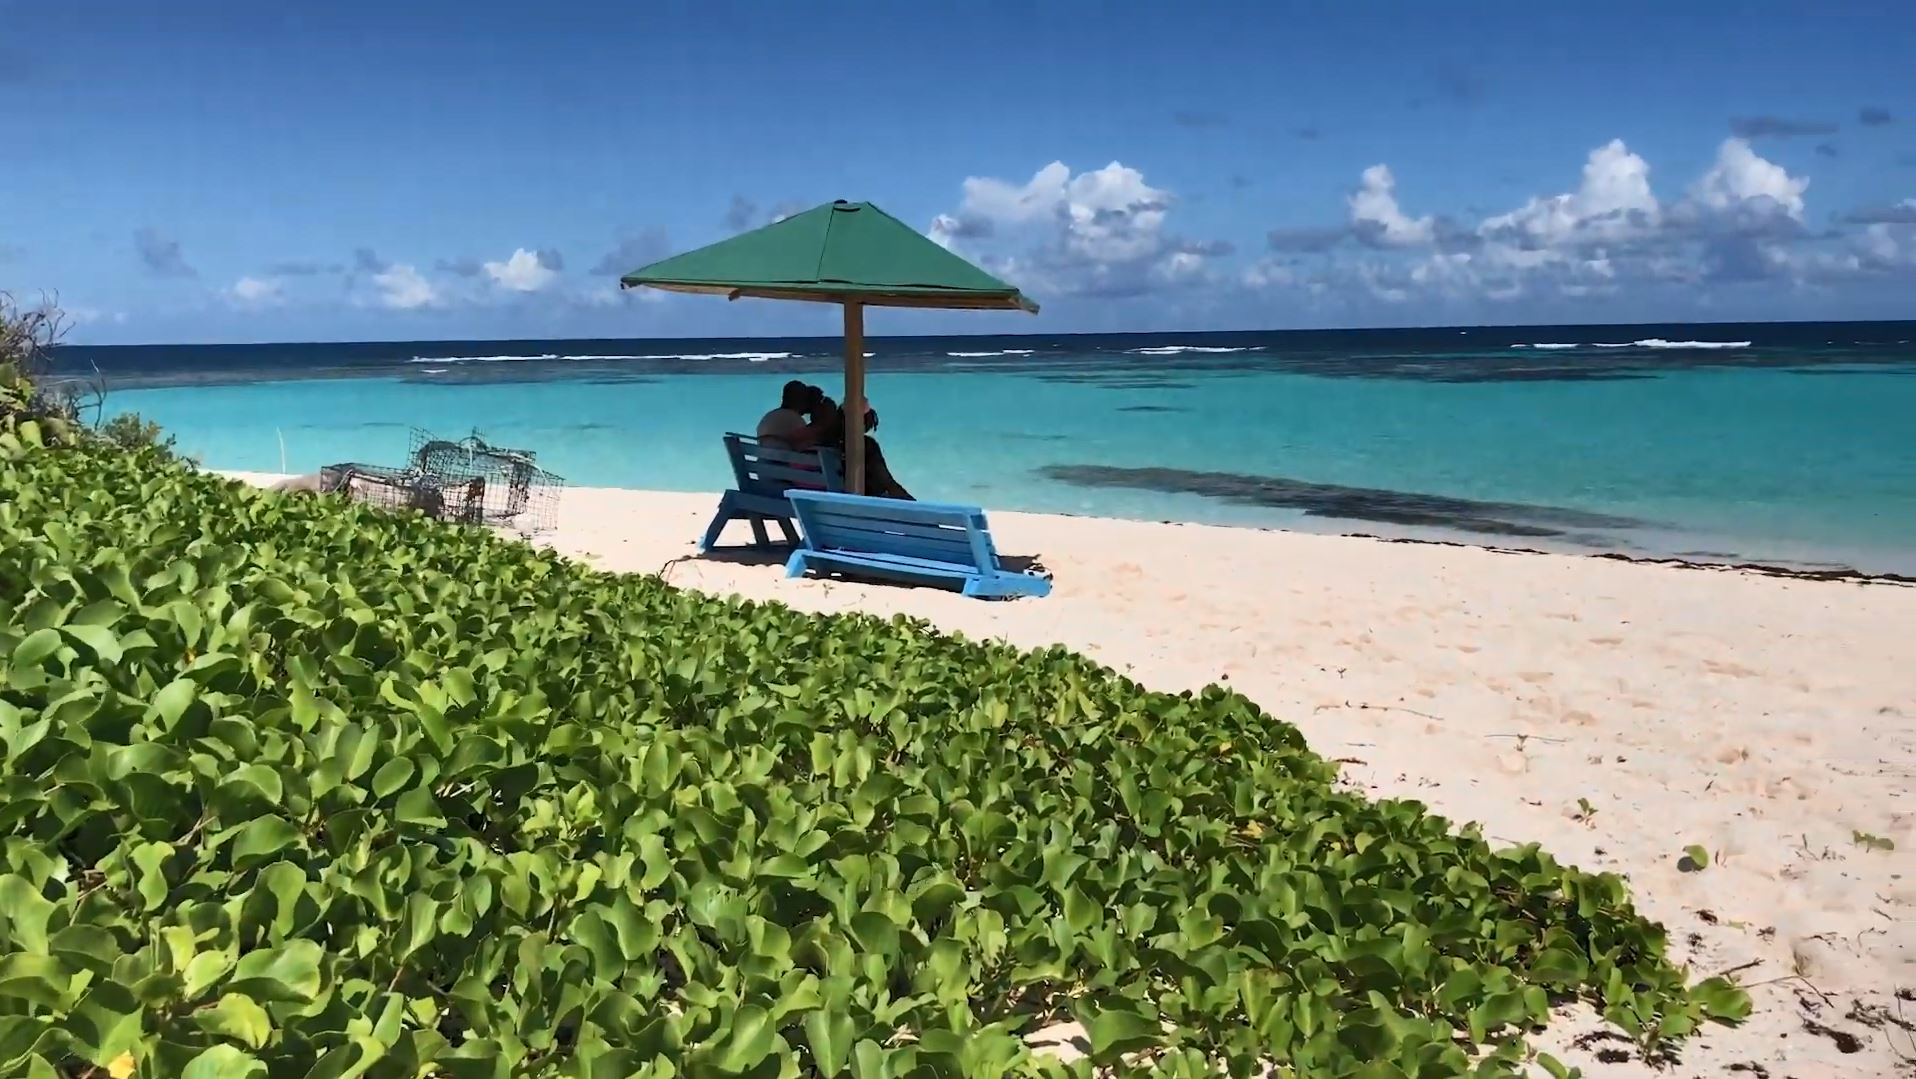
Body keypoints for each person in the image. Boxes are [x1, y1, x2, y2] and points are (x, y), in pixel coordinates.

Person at [816, 398, 914, 500]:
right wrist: (913, 504)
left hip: (827, 500)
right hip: (865, 503)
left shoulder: (821, 443)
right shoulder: (865, 445)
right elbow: (886, 482)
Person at [755, 380, 828, 451]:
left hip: (764, 461)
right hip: (784, 461)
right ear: (800, 400)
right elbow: (811, 445)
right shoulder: (794, 419)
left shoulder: (769, 417)